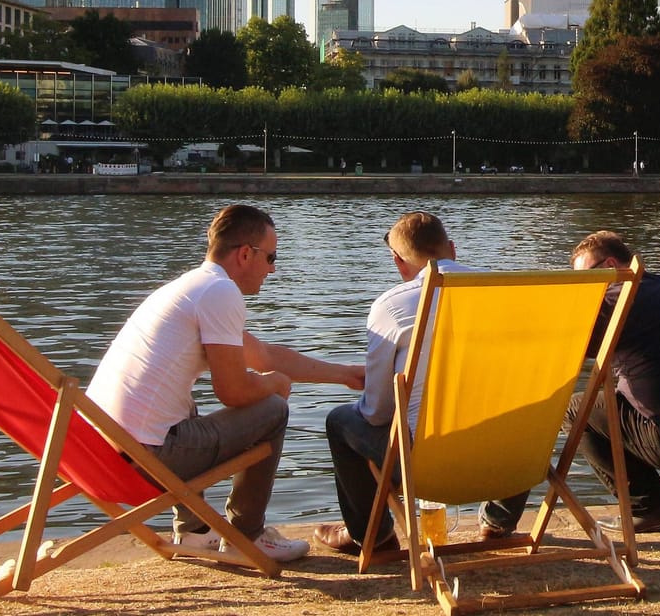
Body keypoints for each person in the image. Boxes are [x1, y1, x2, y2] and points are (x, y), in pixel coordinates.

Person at [85, 204, 362, 563]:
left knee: (183, 408)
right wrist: (273, 385)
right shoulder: (220, 293)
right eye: (271, 257)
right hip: (144, 459)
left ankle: (196, 532)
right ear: (246, 254)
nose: (273, 269)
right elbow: (233, 391)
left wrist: (344, 374)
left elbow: (262, 356)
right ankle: (247, 535)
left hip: (101, 451)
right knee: (272, 410)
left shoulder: (193, 287)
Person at [483, 231, 660, 535]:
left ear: (610, 264)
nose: (583, 289)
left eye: (584, 280)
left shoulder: (615, 298)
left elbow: (555, 354)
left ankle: (650, 507)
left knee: (576, 409)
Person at [314, 211, 483, 555]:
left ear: (398, 262)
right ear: (452, 248)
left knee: (341, 421)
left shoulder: (393, 306)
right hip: (511, 457)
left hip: (429, 467)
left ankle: (373, 536)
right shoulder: (511, 293)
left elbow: (375, 413)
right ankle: (500, 522)